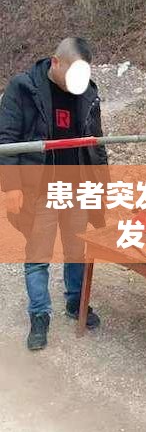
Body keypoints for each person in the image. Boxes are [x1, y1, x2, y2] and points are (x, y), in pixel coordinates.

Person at [0, 37, 108, 350]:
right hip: (39, 190)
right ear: (55, 62)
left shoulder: (88, 93)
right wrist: (11, 186)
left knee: (76, 249)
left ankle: (76, 301)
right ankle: (39, 314)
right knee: (38, 255)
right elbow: (6, 139)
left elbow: (97, 143)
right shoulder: (23, 89)